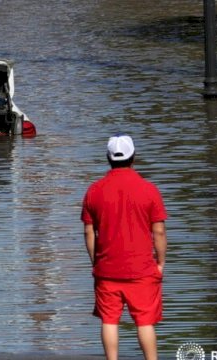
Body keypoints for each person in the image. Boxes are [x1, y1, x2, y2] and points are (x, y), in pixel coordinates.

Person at [81, 134, 167, 360]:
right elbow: (158, 231)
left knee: (109, 320)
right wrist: (160, 263)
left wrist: (96, 261)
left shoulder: (94, 191)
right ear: (133, 157)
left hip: (107, 269)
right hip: (141, 268)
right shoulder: (149, 190)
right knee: (145, 322)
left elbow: (89, 232)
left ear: (108, 159)